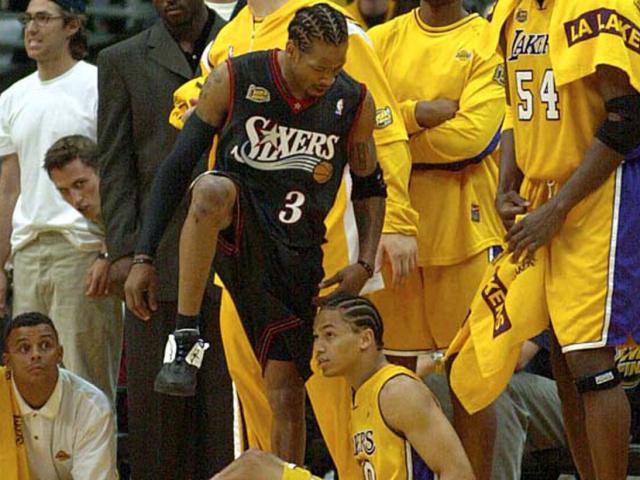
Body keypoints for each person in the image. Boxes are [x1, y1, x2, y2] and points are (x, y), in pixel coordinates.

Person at [131, 0, 418, 475]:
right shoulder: (235, 75)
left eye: (337, 68)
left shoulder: (353, 99)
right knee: (211, 189)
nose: (328, 78)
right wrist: (143, 255)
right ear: (291, 50)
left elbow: (371, 186)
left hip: (300, 255)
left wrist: (365, 263)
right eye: (320, 67)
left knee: (286, 393)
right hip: (239, 238)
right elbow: (177, 167)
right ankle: (185, 337)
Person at [449, 0, 640, 478]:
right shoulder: (509, 11)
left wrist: (557, 210)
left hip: (600, 194)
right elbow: (515, 107)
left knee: (589, 357)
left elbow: (627, 117)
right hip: (542, 196)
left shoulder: (597, 4)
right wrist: (506, 182)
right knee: (560, 356)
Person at [367, 1, 505, 475]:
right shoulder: (380, 41)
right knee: (389, 375)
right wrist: (419, 113)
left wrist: (394, 136)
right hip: (390, 233)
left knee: (472, 382)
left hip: (465, 234)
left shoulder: (489, 39)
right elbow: (361, 125)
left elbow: (473, 137)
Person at [96, 0, 233, 475]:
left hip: (234, 257)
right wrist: (128, 254)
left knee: (226, 412)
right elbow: (115, 166)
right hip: (157, 261)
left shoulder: (244, 43)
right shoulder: (121, 60)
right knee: (157, 418)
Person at [0, 0, 122, 404]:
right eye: (27, 19)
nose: (31, 28)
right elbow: (9, 188)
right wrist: (1, 264)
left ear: (72, 25)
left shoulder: (98, 84)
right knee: (29, 388)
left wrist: (109, 250)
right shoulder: (12, 97)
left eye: (43, 18)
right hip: (28, 254)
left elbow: (118, 174)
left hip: (82, 250)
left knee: (85, 384)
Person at [313, 294, 475, 479]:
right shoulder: (362, 395)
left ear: (365, 339)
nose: (319, 347)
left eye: (329, 335)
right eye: (316, 337)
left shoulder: (398, 391)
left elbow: (458, 472)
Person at [2, 312, 117, 479]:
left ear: (60, 353)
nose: (36, 354)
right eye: (24, 348)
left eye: (45, 345)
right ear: (7, 362)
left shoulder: (91, 406)